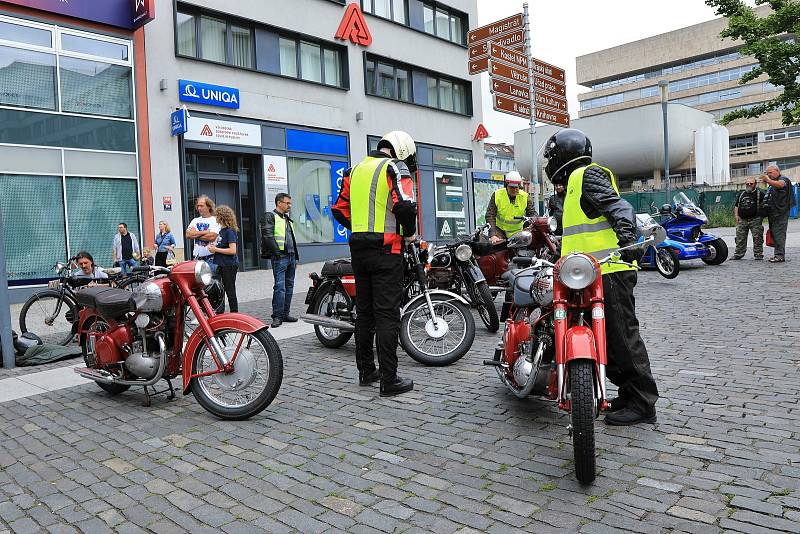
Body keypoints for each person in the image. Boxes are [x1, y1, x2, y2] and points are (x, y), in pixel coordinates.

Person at [543, 128, 659, 426]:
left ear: (562, 156)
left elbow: (621, 209)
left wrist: (627, 243)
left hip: (610, 271)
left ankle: (643, 402)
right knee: (607, 339)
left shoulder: (587, 175)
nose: (549, 163)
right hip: (586, 275)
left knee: (622, 338)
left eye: (551, 157)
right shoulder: (572, 185)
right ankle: (627, 393)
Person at [332, 131, 418, 397]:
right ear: (402, 149)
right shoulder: (395, 166)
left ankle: (367, 371)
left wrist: (360, 231)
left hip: (359, 249)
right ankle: (389, 380)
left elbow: (339, 209)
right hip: (387, 249)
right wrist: (409, 232)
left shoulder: (354, 170)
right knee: (387, 314)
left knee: (365, 313)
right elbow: (404, 205)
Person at [260, 193, 299, 327]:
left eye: (290, 203)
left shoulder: (287, 219)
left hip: (291, 257)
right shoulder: (270, 216)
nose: (290, 206)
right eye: (287, 203)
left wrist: (296, 258)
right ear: (279, 203)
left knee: (289, 287)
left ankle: (285, 314)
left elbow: (292, 239)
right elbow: (268, 236)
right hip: (280, 257)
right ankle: (277, 316)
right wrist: (278, 254)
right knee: (279, 288)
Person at [486, 171, 538, 244]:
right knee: (498, 249)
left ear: (519, 186)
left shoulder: (525, 197)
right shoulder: (497, 195)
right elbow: (490, 215)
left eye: (516, 187)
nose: (514, 190)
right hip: (500, 231)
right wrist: (493, 235)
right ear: (506, 186)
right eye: (511, 187)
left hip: (518, 232)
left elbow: (532, 213)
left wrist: (531, 224)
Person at [208, 205, 240, 313]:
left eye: (216, 215)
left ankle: (234, 313)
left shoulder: (230, 231)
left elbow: (232, 250)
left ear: (221, 217)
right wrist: (213, 248)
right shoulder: (221, 231)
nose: (215, 218)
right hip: (220, 264)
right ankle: (219, 313)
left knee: (230, 290)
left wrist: (216, 249)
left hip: (229, 265)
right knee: (218, 290)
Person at [761, 164, 794, 263]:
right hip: (773, 212)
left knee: (779, 234)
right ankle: (777, 254)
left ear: (777, 171)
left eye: (770, 173)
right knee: (775, 234)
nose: (769, 175)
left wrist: (768, 180)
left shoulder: (783, 179)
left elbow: (781, 185)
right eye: (767, 173)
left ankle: (779, 256)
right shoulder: (773, 183)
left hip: (781, 212)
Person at [185, 195, 220, 272]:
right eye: (198, 206)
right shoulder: (195, 220)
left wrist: (195, 234)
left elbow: (212, 237)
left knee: (212, 282)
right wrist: (205, 232)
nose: (199, 208)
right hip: (196, 260)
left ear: (209, 206)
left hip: (211, 259)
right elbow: (188, 235)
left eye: (201, 206)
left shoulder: (215, 220)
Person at [732, 177, 765, 260]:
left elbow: (766, 205)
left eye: (751, 183)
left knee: (758, 238)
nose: (749, 185)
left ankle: (758, 254)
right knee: (740, 238)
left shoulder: (760, 194)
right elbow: (736, 206)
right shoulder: (741, 194)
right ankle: (738, 254)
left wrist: (762, 216)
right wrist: (736, 216)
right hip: (742, 220)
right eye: (747, 184)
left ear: (755, 184)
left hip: (755, 220)